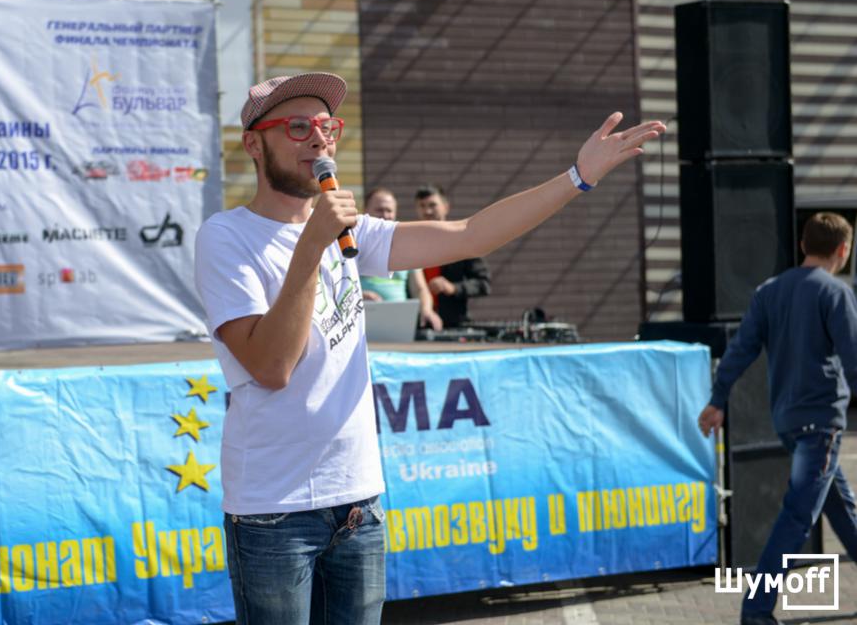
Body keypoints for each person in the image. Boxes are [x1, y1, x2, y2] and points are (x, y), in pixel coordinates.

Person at [193, 71, 663, 625]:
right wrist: (312, 247)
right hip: (274, 513)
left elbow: (470, 234)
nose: (318, 138)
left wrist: (577, 177)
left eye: (326, 126)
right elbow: (272, 367)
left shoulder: (350, 231)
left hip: (358, 504)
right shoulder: (226, 237)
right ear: (254, 144)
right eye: (297, 127)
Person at [698, 212, 857, 625]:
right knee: (797, 517)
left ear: (803, 245)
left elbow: (741, 349)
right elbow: (853, 358)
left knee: (842, 510)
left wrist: (717, 399)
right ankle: (756, 610)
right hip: (820, 424)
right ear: (843, 250)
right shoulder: (835, 292)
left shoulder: (769, 291)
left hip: (787, 421)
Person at [359, 188, 442, 331]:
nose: (385, 215)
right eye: (379, 210)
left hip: (400, 326)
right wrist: (359, 296)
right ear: (365, 210)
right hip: (360, 324)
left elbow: (420, 289)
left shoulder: (407, 247)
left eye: (389, 210)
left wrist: (427, 310)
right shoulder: (352, 246)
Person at [414, 184, 491, 327]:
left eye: (432, 205)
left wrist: (453, 287)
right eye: (422, 206)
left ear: (446, 207)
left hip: (453, 324)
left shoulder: (461, 241)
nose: (427, 211)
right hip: (418, 323)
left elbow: (484, 284)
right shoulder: (412, 243)